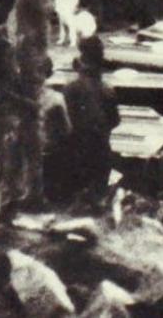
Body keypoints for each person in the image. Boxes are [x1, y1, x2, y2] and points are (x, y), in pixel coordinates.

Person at [43, 36, 119, 204]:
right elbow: (114, 121)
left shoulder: (70, 89)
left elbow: (61, 128)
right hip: (100, 160)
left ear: (79, 64)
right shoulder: (108, 91)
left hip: (74, 160)